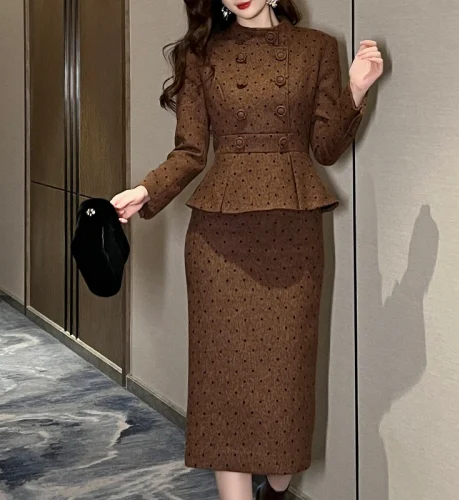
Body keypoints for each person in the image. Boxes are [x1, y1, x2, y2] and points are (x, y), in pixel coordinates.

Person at [111, 1, 383, 498]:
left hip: (291, 234)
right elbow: (190, 151)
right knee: (223, 385)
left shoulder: (317, 48)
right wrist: (145, 191)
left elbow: (325, 149)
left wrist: (356, 89)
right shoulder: (202, 54)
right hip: (220, 241)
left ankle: (276, 490)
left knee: (286, 388)